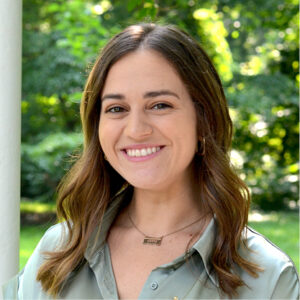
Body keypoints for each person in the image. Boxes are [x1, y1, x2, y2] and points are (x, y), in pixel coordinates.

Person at [2, 23, 299, 299]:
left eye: (160, 105)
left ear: (203, 119)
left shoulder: (268, 278)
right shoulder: (57, 251)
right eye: (117, 108)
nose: (136, 130)